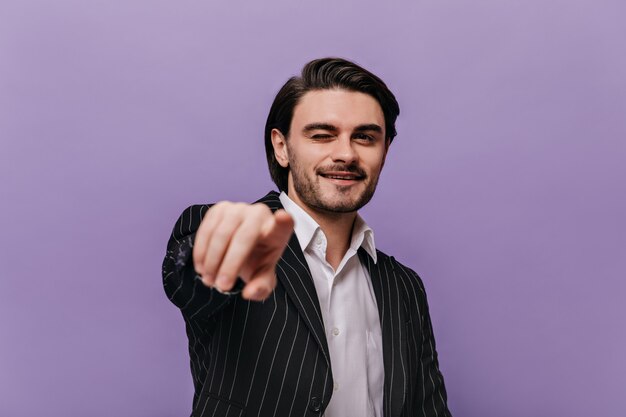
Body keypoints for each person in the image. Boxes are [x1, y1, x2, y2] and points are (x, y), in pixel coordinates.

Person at [162, 57, 451, 417]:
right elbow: (192, 274)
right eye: (322, 135)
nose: (345, 153)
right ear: (281, 147)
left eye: (364, 137)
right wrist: (220, 250)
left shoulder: (404, 287)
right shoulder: (235, 234)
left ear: (385, 151)